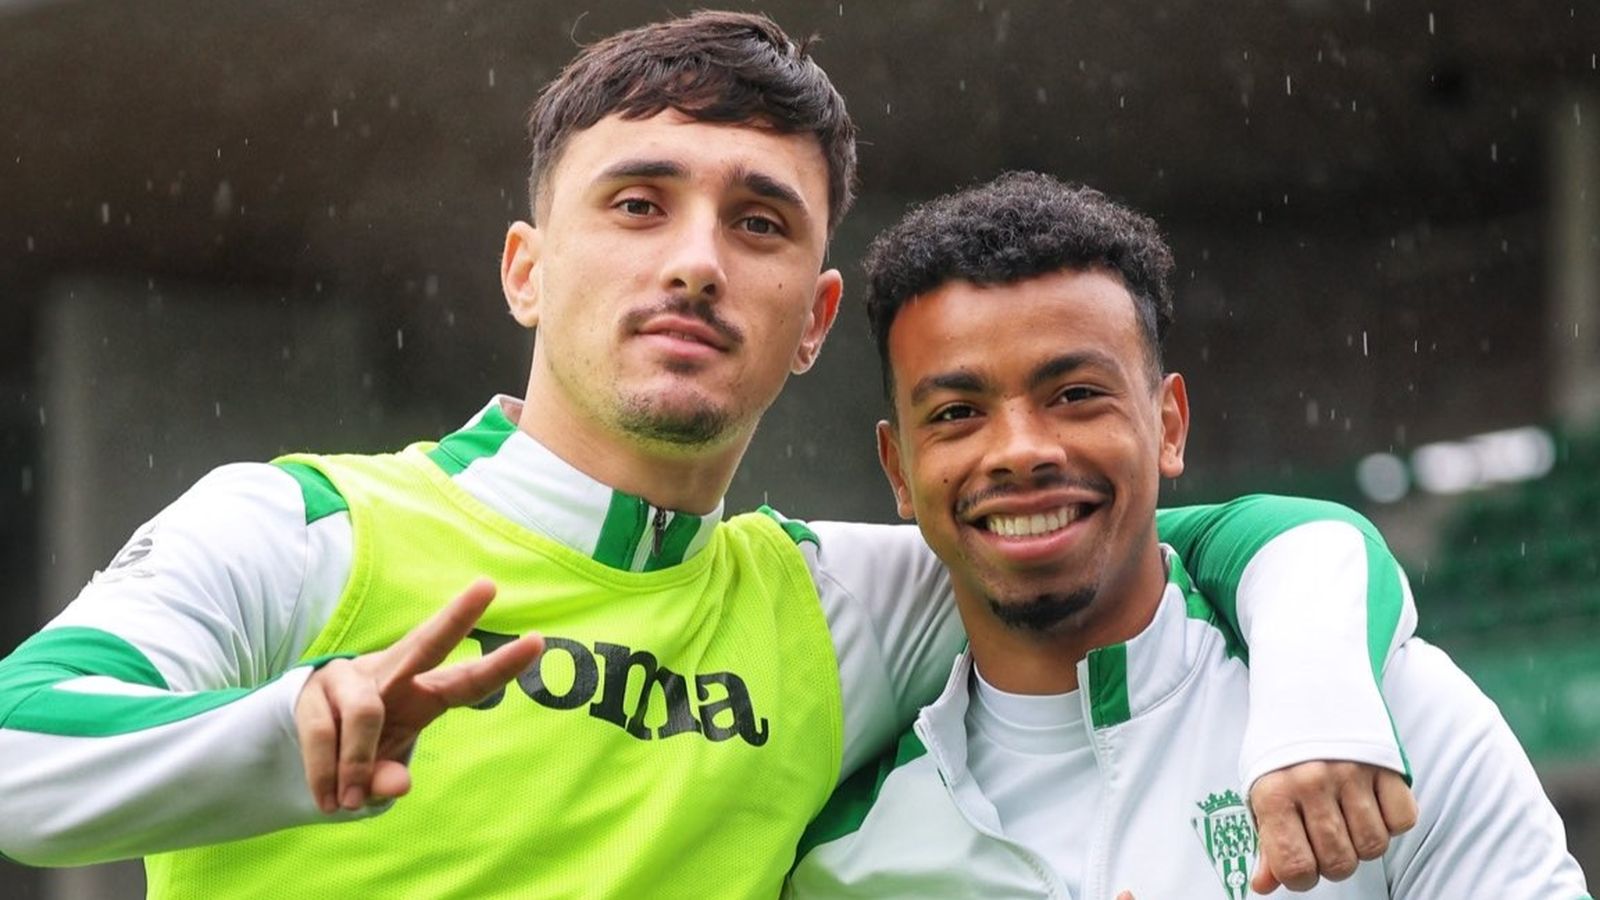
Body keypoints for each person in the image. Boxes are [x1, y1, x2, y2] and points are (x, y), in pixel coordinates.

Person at [0, 13, 1416, 898]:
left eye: (756, 221)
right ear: (526, 269)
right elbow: (18, 754)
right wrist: (288, 732)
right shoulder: (303, 527)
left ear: (809, 321)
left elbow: (1253, 540)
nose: (693, 261)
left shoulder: (844, 602)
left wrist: (1314, 697)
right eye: (636, 203)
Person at [785, 172, 1590, 898]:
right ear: (899, 468)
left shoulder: (1381, 716)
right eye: (958, 414)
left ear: (1168, 425)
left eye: (1073, 394)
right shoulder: (842, 856)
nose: (1022, 450)